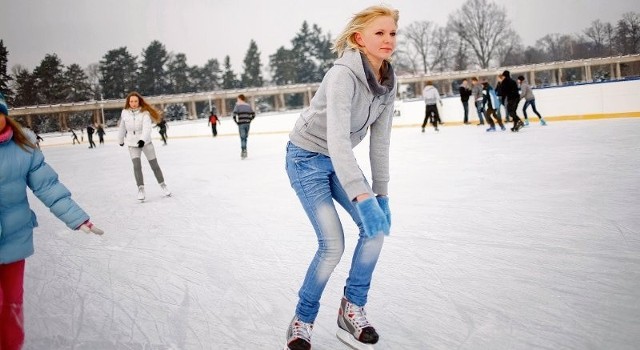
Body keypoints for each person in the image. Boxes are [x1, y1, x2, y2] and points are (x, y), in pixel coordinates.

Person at [283, 5, 397, 350]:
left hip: (339, 159)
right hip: (306, 158)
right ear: (359, 39)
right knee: (332, 244)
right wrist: (363, 197)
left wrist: (382, 193)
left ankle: (351, 310)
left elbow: (381, 141)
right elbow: (336, 138)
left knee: (375, 231)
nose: (388, 39)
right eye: (379, 33)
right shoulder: (342, 75)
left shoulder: (388, 79)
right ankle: (302, 319)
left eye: (392, 33)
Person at [0, 93, 104, 350]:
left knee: (13, 302)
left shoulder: (23, 148)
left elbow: (48, 187)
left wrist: (78, 218)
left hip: (14, 239)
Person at [117, 91, 171, 201]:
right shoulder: (124, 113)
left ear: (139, 101)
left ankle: (163, 185)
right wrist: (121, 139)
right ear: (128, 102)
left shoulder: (144, 113)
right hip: (132, 144)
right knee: (137, 166)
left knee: (154, 165)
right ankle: (141, 189)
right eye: (131, 101)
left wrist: (142, 140)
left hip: (146, 143)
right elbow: (122, 127)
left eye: (135, 101)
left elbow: (147, 128)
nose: (133, 103)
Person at [232, 94, 255, 159]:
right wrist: (249, 120)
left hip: (241, 123)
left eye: (238, 98)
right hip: (247, 123)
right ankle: (245, 150)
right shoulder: (248, 106)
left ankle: (243, 151)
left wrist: (237, 122)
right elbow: (253, 114)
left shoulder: (237, 105)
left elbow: (234, 115)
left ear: (240, 98)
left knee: (242, 138)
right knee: (245, 137)